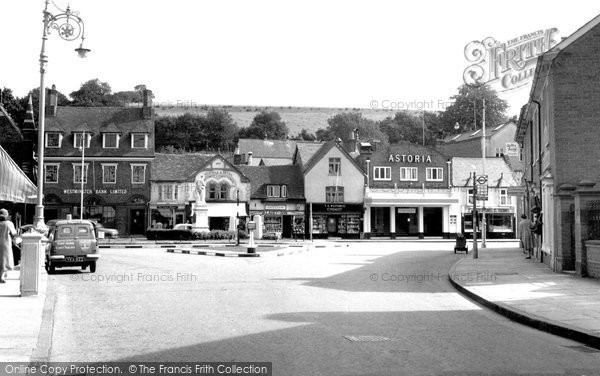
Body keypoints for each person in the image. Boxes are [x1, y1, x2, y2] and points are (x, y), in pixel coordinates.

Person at [0, 208, 17, 283]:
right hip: (5, 243)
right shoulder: (9, 223)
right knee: (5, 259)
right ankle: (2, 276)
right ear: (6, 215)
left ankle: (3, 274)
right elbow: (14, 233)